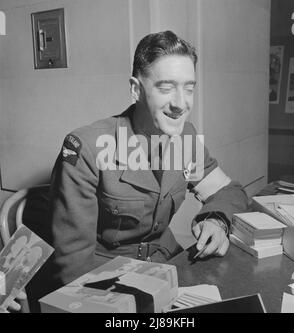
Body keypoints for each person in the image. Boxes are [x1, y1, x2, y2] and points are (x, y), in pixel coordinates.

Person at [47, 30, 249, 288]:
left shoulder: (185, 138)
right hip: (106, 279)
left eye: (189, 89)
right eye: (166, 88)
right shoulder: (86, 148)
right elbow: (73, 267)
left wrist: (217, 220)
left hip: (169, 264)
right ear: (136, 90)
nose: (181, 104)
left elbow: (229, 191)